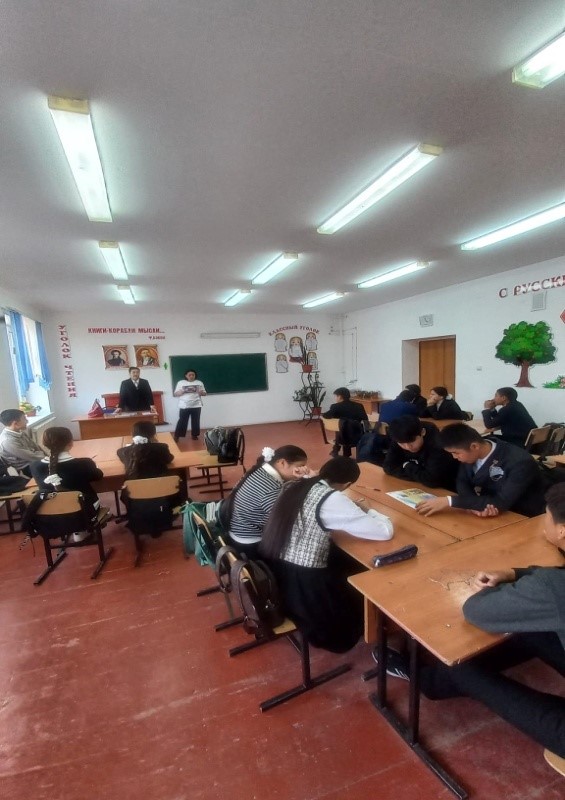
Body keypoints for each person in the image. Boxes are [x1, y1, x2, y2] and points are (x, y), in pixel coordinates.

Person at [377, 483, 565, 772]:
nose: (543, 522)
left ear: (562, 532)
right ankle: (437, 681)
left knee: (459, 667)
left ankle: (430, 682)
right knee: (533, 629)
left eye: (546, 517)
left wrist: (500, 591)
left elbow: (477, 611)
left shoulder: (552, 588)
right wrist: (516, 573)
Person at [261, 457, 393, 653]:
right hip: (305, 584)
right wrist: (370, 511)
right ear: (347, 485)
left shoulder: (295, 485)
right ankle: (373, 621)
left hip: (279, 568)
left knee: (344, 561)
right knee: (357, 572)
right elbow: (384, 532)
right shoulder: (332, 499)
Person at [415, 422, 546, 518]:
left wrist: (449, 501)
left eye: (456, 453)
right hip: (490, 507)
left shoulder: (520, 462)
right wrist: (473, 505)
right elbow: (462, 481)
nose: (454, 457)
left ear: (474, 446)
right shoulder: (473, 452)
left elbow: (502, 501)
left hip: (522, 513)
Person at [223, 445, 310, 559]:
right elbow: (284, 521)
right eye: (300, 466)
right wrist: (307, 481)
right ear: (282, 463)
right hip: (250, 545)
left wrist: (302, 479)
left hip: (238, 532)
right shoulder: (270, 489)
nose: (303, 469)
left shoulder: (262, 470)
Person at [30, 427, 103, 540]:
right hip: (84, 512)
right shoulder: (84, 463)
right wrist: (93, 466)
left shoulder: (34, 466)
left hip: (50, 513)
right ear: (70, 443)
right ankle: (81, 531)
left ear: (44, 444)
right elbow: (98, 476)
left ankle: (76, 532)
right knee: (83, 499)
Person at [383, 416, 458, 490]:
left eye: (412, 442)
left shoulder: (437, 444)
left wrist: (407, 466)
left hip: (446, 489)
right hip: (417, 486)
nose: (408, 447)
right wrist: (421, 476)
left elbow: (432, 480)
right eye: (402, 444)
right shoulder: (400, 438)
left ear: (423, 432)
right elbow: (388, 467)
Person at [322, 387, 368, 457]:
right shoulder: (359, 405)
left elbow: (326, 416)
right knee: (346, 425)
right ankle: (338, 450)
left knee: (341, 425)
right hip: (358, 433)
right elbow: (365, 419)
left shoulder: (335, 406)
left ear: (340, 396)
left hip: (342, 435)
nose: (335, 398)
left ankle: (336, 450)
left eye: (336, 396)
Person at [0, 409, 45, 475]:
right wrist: (48, 458)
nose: (27, 421)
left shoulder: (19, 431)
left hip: (34, 460)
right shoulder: (7, 441)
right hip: (27, 467)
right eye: (24, 419)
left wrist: (47, 456)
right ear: (15, 423)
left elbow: (35, 446)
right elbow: (31, 456)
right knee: (58, 468)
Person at [173, 369, 206, 442]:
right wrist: (181, 392)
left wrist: (201, 393)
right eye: (189, 375)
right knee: (182, 421)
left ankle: (195, 435)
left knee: (196, 420)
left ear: (195, 375)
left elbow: (205, 393)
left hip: (196, 405)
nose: (191, 376)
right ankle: (177, 435)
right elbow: (175, 394)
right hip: (184, 405)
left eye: (193, 375)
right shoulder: (181, 382)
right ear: (186, 376)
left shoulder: (199, 382)